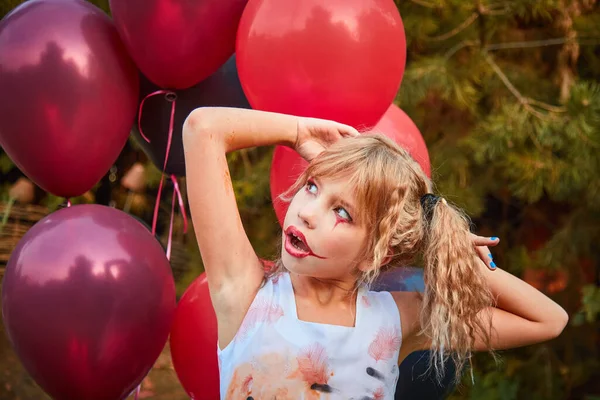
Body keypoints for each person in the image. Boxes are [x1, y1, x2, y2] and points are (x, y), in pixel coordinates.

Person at [182, 107, 568, 399]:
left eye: (342, 212)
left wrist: (448, 242)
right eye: (313, 186)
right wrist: (296, 130)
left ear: (374, 255)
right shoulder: (246, 292)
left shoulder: (397, 319)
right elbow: (203, 129)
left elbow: (548, 320)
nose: (306, 211)